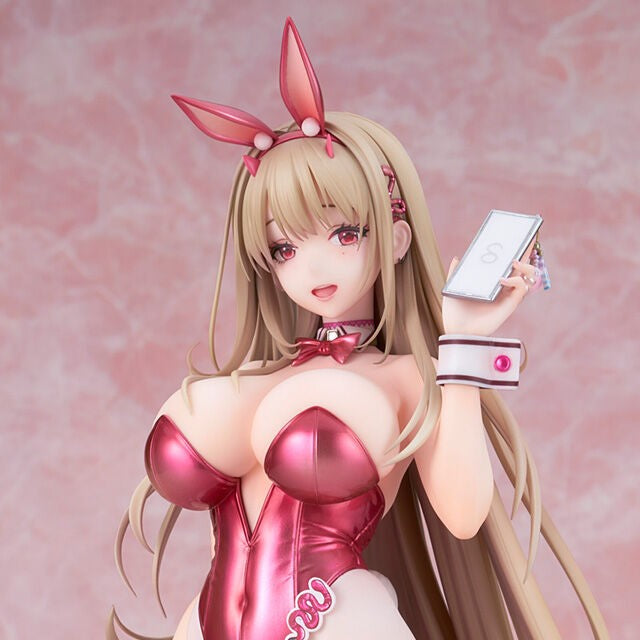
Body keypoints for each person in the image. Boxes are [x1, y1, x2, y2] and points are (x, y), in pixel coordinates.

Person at [109, 18, 608, 640]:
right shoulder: (260, 373)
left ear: (395, 238)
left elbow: (462, 515)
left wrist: (463, 341)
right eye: (284, 248)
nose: (312, 266)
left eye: (343, 234)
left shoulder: (406, 376)